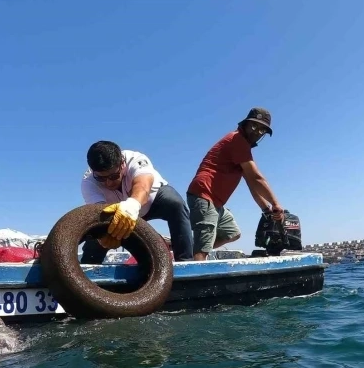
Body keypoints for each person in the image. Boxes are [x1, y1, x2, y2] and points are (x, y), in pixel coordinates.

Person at [186, 107, 285, 261]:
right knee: (203, 246)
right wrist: (276, 204)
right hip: (204, 195)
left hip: (215, 203)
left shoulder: (242, 149)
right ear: (245, 124)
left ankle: (188, 251)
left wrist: (266, 209)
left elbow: (252, 183)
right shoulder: (237, 140)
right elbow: (257, 177)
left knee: (232, 233)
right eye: (254, 126)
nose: (257, 132)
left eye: (262, 130)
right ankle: (197, 263)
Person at [80, 140, 193, 263]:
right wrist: (103, 235)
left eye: (113, 176)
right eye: (101, 178)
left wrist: (132, 205)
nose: (108, 183)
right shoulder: (88, 181)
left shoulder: (135, 159)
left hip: (151, 201)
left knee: (176, 204)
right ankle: (87, 271)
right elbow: (99, 213)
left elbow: (143, 185)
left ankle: (185, 261)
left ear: (122, 164)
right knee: (96, 232)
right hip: (116, 216)